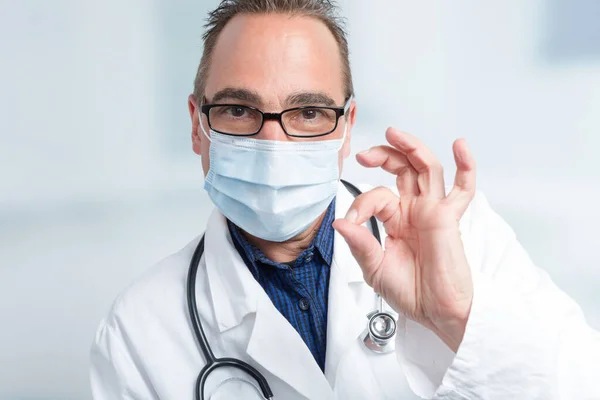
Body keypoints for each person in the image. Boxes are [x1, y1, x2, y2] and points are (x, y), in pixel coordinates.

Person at [90, 0, 600, 398]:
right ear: (198, 127)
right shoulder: (139, 329)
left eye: (309, 112)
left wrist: (457, 313)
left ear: (347, 127)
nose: (274, 146)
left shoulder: (460, 240)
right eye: (239, 110)